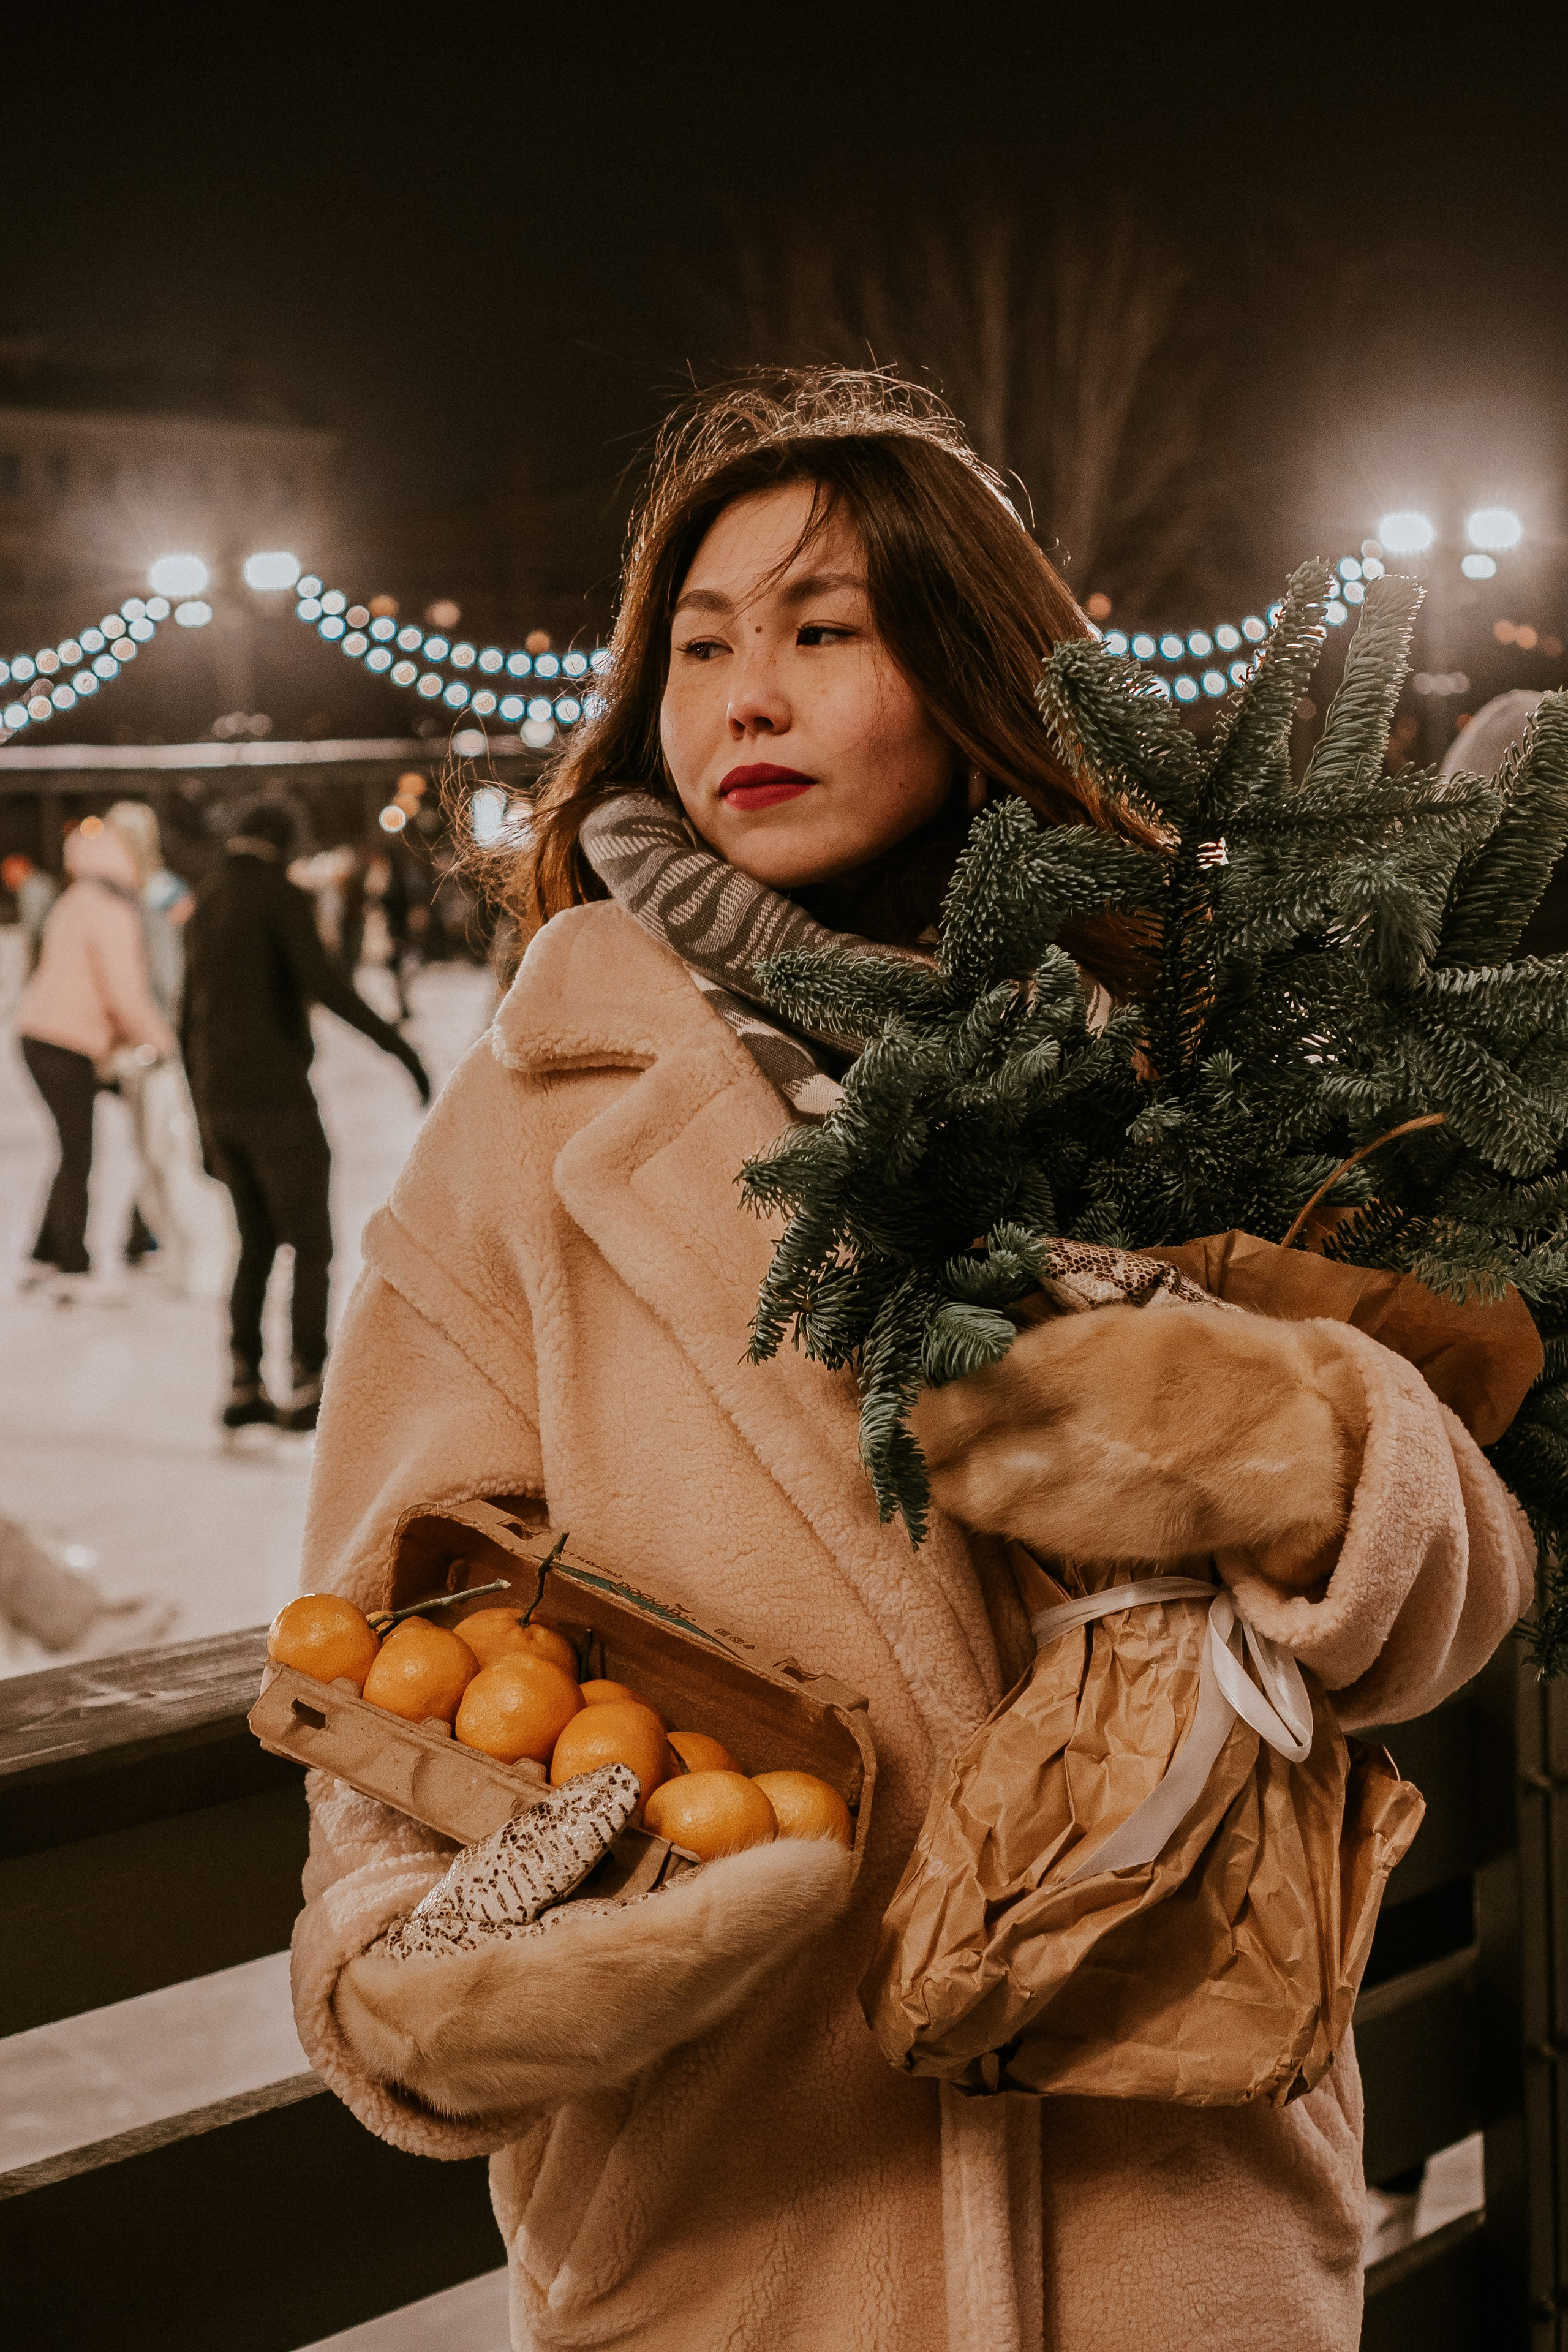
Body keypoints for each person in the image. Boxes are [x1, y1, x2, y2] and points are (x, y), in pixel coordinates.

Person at [286, 375, 1529, 2352]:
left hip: (1177, 2232)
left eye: (820, 630)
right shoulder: (537, 1120)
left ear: (967, 670)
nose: (741, 700)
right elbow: (379, 1634)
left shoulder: (1183, 1051)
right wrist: (417, 1967)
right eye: (697, 647)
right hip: (741, 2237)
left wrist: (1300, 1452)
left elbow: (1447, 1585)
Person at [181, 799, 431, 1438]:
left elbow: (187, 1018)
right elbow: (326, 984)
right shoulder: (280, 897)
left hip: (219, 1101)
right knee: (311, 1242)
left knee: (256, 1242)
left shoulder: (206, 902)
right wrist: (403, 1052)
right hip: (277, 1101)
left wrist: (202, 1120)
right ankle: (307, 1378)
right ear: (283, 842)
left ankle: (243, 1379)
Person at [13, 817, 178, 1302]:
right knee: (78, 1151)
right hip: (65, 1043)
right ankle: (70, 1260)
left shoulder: (76, 898)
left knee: (71, 1148)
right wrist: (164, 1043)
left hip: (43, 1036)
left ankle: (46, 1252)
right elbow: (124, 995)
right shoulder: (109, 909)